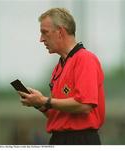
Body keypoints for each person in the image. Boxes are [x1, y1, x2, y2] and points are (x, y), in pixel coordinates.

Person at [18, 8, 105, 145]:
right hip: (59, 139)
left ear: (60, 32)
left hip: (80, 140)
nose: (41, 39)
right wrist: (39, 104)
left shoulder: (85, 59)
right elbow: (58, 114)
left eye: (44, 32)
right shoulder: (59, 66)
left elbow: (84, 105)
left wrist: (45, 101)